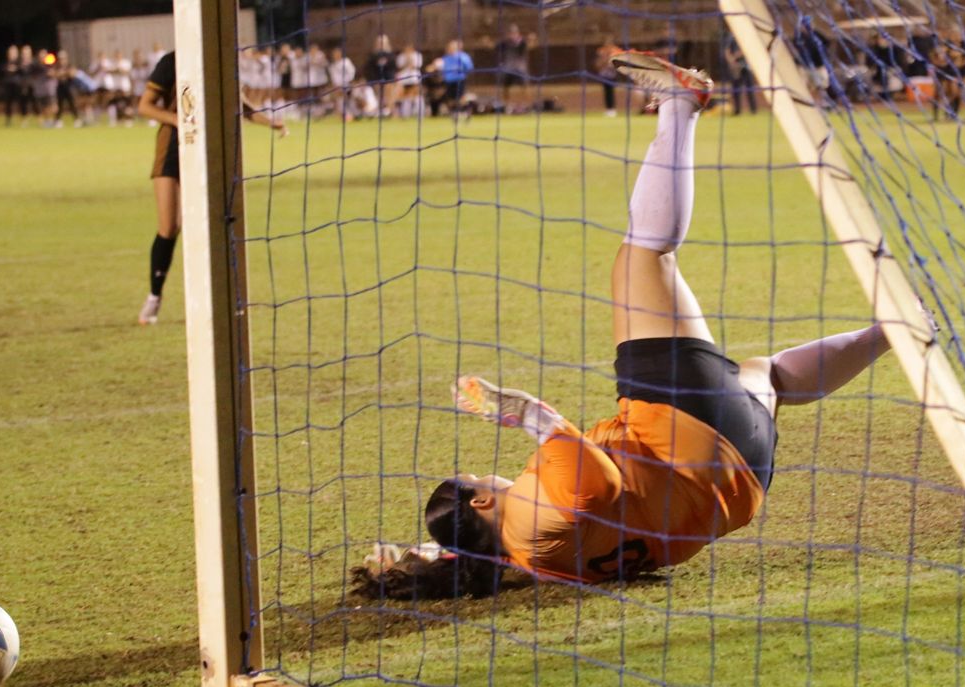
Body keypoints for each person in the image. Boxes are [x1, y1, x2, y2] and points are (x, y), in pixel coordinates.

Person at [352, 52, 893, 599]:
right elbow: (592, 486)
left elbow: (497, 551)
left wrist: (415, 559)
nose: (494, 477)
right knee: (644, 255)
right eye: (481, 480)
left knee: (768, 374)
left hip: (734, 484)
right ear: (481, 502)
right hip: (679, 433)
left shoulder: (526, 558)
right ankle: (682, 104)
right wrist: (521, 413)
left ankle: (896, 329)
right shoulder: (526, 521)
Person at [136, 51, 287, 326]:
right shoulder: (173, 60)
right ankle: (154, 297)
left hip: (209, 151)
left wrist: (271, 122)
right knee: (169, 226)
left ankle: (216, 299)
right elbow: (145, 106)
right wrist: (179, 121)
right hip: (171, 148)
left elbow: (238, 104)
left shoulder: (219, 54)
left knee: (213, 224)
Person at [494, 24, 533, 112]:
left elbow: (530, 46)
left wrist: (532, 39)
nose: (512, 34)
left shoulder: (522, 42)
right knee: (505, 88)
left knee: (525, 87)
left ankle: (527, 106)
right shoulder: (505, 43)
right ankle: (507, 106)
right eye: (511, 33)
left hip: (520, 69)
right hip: (508, 69)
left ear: (518, 33)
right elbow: (495, 48)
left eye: (514, 32)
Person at [722, 31, 757, 114]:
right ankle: (737, 110)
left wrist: (735, 56)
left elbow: (747, 50)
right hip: (736, 67)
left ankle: (753, 110)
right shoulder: (731, 38)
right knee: (736, 89)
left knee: (750, 88)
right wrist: (731, 61)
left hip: (746, 66)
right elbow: (726, 50)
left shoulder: (746, 37)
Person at [438, 39, 473, 117]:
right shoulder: (445, 58)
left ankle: (465, 111)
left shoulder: (463, 56)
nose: (450, 48)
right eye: (449, 47)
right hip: (449, 80)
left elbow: (469, 67)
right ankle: (454, 112)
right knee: (450, 98)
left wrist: (463, 72)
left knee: (460, 97)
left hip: (459, 79)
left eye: (452, 47)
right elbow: (442, 68)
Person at [364, 35, 398, 117]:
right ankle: (380, 113)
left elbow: (393, 68)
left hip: (388, 79)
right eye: (379, 43)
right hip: (376, 79)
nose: (381, 45)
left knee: (389, 95)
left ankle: (391, 112)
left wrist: (391, 79)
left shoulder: (391, 55)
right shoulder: (373, 56)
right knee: (378, 97)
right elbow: (369, 68)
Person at [395, 43, 424, 117]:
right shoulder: (401, 56)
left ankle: (420, 113)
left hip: (414, 78)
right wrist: (406, 60)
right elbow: (400, 66)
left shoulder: (417, 55)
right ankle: (405, 114)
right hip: (404, 78)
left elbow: (417, 65)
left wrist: (410, 59)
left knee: (416, 95)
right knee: (405, 97)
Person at [594, 36, 621, 116]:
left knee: (611, 91)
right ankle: (608, 108)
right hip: (604, 74)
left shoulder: (615, 50)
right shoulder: (601, 50)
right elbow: (598, 62)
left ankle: (612, 109)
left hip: (612, 74)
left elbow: (617, 62)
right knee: (606, 92)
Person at [0, 46, 22, 126]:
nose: (12, 54)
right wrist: (9, 69)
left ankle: (23, 119)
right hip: (8, 85)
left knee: (21, 102)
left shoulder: (19, 63)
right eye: (11, 52)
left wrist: (15, 69)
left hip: (18, 85)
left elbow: (22, 71)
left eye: (14, 52)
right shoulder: (5, 63)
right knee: (8, 103)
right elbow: (2, 70)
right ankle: (8, 120)